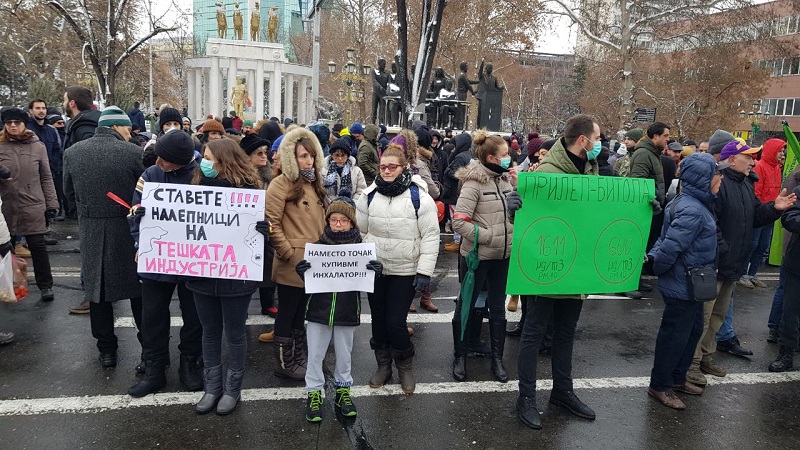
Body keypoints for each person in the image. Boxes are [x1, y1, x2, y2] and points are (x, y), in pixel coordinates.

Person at [686, 140, 796, 386]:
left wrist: (774, 208)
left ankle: (705, 356)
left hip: (732, 263)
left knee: (717, 315)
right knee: (701, 318)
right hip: (714, 263)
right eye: (748, 157)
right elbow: (710, 224)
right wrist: (723, 251)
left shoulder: (746, 184)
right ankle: (690, 365)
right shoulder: (718, 183)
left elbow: (755, 216)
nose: (753, 161)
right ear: (732, 159)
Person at [517, 114, 601, 430]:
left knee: (566, 332)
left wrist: (645, 206)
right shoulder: (548, 172)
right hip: (546, 268)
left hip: (577, 268)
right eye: (598, 137)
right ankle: (526, 398)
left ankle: (562, 392)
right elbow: (529, 218)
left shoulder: (591, 170)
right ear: (583, 140)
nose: (600, 143)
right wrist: (517, 205)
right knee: (534, 333)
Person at [189, 139, 268, 416]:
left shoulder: (250, 191)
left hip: (236, 277)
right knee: (209, 332)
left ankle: (232, 388)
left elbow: (259, 236)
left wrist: (263, 230)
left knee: (235, 334)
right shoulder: (195, 189)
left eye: (209, 157)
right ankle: (212, 387)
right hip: (202, 275)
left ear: (224, 160)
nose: (204, 162)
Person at [62, 107, 144, 368]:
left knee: (98, 293)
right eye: (128, 130)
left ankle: (107, 350)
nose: (130, 135)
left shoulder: (73, 153)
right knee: (138, 291)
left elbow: (67, 192)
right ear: (116, 128)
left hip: (92, 230)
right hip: (128, 227)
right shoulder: (133, 153)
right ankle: (149, 349)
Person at [356, 145, 439, 395]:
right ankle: (383, 366)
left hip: (405, 271)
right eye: (383, 166)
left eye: (393, 166)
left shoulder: (419, 197)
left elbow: (430, 236)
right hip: (377, 271)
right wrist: (361, 260)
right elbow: (359, 232)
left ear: (404, 167)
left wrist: (424, 272)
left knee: (396, 322)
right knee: (379, 322)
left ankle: (405, 366)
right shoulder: (368, 196)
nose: (387, 170)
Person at [126, 129, 204, 397]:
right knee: (152, 317)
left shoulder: (201, 178)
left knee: (194, 316)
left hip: (193, 261)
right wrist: (140, 240)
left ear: (182, 160)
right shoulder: (150, 176)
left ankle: (190, 364)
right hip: (157, 259)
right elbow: (134, 211)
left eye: (164, 159)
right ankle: (154, 368)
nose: (158, 162)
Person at [295, 194, 383, 422]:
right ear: (327, 222)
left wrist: (375, 271)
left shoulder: (361, 250)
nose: (338, 224)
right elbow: (310, 279)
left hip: (346, 310)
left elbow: (367, 280)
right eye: (334, 220)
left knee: (345, 355)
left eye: (343, 220)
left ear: (352, 223)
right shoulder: (317, 248)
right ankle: (314, 392)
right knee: (315, 354)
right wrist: (303, 271)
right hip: (318, 310)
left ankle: (343, 392)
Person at [646, 153, 723, 410]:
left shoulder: (696, 203)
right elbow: (671, 246)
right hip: (682, 284)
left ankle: (677, 379)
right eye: (715, 173)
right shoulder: (692, 209)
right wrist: (659, 268)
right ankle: (660, 385)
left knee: (690, 332)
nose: (720, 177)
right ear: (702, 179)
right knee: (674, 337)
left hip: (692, 284)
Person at [451, 131, 520, 383]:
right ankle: (460, 357)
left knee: (498, 310)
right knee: (466, 305)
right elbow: (459, 223)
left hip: (502, 257)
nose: (509, 158)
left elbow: (510, 219)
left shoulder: (506, 181)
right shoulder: (473, 183)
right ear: (491, 157)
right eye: (505, 155)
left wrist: (516, 204)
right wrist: (489, 236)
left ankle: (497, 360)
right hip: (477, 257)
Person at [266, 127, 327, 381]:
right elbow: (272, 222)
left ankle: (298, 357)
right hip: (293, 262)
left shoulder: (314, 183)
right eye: (302, 156)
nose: (308, 160)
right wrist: (288, 252)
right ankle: (284, 362)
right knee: (288, 312)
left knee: (301, 313)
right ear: (292, 157)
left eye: (311, 155)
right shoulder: (281, 184)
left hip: (314, 262)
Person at [0, 107, 58, 303]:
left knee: (37, 246)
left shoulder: (37, 146)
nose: (13, 126)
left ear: (25, 124)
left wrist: (52, 203)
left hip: (32, 203)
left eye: (17, 123)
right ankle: (10, 287)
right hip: (6, 205)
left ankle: (46, 286)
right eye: (9, 123)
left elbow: (46, 177)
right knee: (5, 250)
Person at [239, 134, 279, 329]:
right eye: (259, 153)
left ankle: (268, 304)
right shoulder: (239, 179)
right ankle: (242, 306)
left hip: (266, 229)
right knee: (245, 270)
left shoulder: (271, 178)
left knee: (268, 266)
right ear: (247, 156)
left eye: (266, 153)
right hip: (243, 230)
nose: (264, 157)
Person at [741, 138, 786, 288]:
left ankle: (753, 274)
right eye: (779, 150)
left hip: (770, 213)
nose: (782, 153)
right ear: (772, 151)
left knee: (763, 245)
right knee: (752, 244)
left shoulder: (777, 168)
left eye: (783, 150)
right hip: (760, 212)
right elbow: (757, 192)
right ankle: (742, 274)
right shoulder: (760, 166)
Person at [770, 182, 800, 372]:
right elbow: (789, 217)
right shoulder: (799, 191)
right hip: (797, 264)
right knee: (790, 312)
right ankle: (786, 353)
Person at [27, 99, 63, 227]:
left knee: (48, 201)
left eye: (43, 108)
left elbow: (57, 150)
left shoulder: (51, 130)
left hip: (49, 171)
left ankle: (45, 228)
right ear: (30, 111)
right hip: (31, 173)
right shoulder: (26, 130)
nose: (41, 111)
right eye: (37, 108)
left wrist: (50, 165)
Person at [441, 133, 475, 253]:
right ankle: (457, 240)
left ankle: (457, 241)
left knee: (456, 216)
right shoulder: (467, 155)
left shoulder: (460, 157)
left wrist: (447, 171)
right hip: (457, 191)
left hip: (454, 191)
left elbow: (456, 173)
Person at [322, 137, 366, 202]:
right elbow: (321, 191)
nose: (340, 158)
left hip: (350, 206)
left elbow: (361, 191)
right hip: (329, 206)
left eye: (343, 155)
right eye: (337, 155)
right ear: (332, 155)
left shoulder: (357, 171)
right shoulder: (323, 170)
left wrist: (351, 202)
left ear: (348, 156)